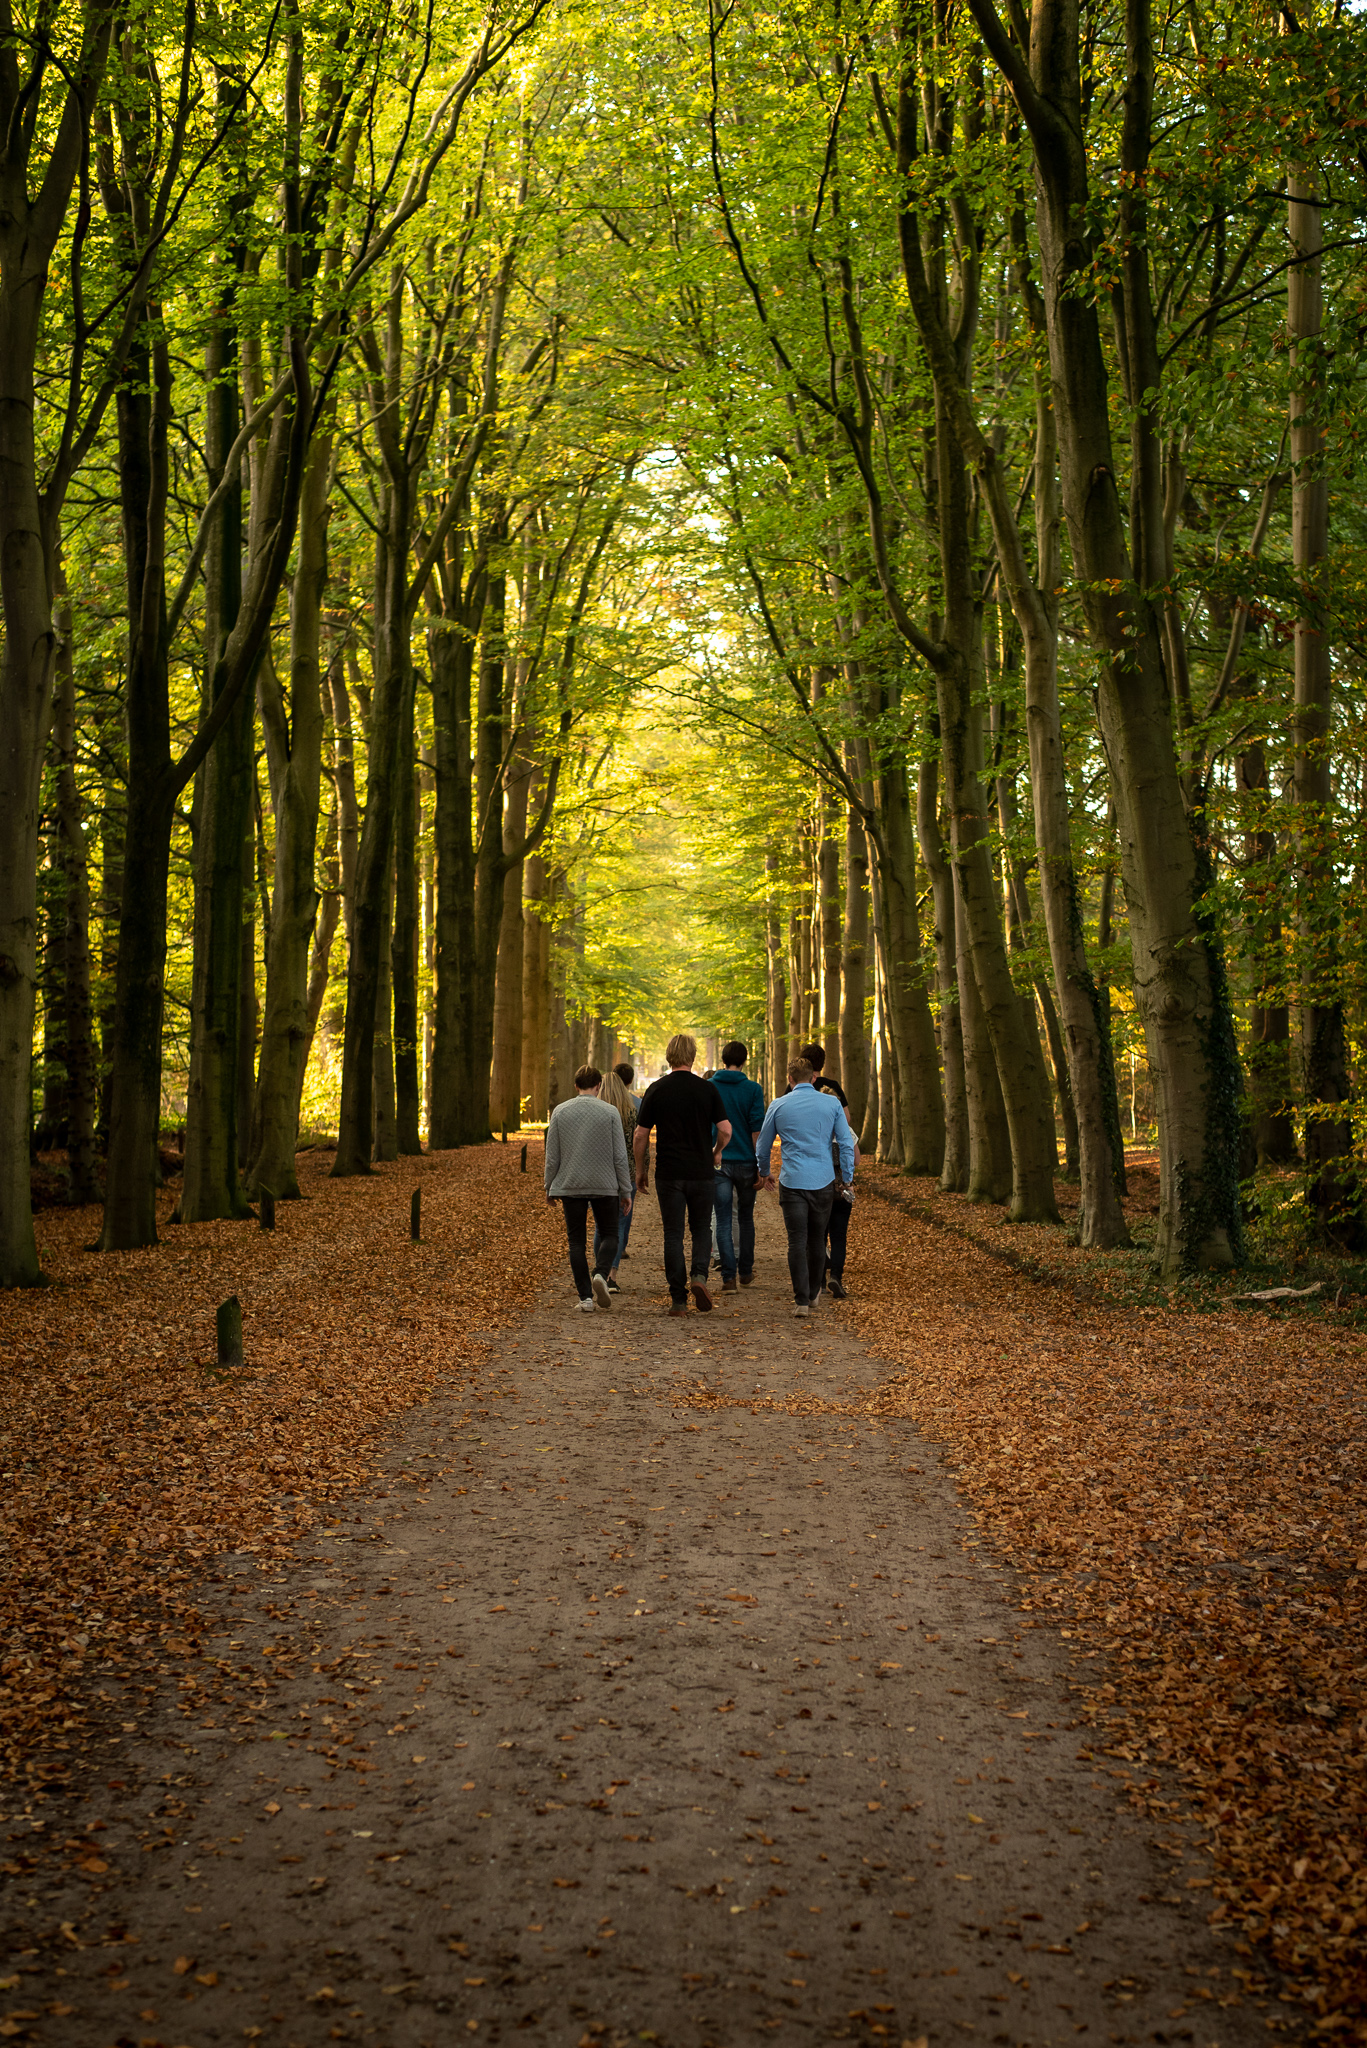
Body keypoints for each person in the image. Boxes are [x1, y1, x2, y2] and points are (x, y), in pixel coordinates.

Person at [633, 1032, 731, 1316]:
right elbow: (725, 1129)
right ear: (693, 1056)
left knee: (673, 1234)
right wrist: (715, 1151)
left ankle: (678, 1299)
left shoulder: (656, 1089)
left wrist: (641, 1170)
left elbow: (640, 1135)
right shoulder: (707, 1089)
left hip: (669, 1172)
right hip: (701, 1172)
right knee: (702, 1228)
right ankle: (699, 1276)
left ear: (668, 1055)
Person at [756, 1056, 855, 1318]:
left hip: (792, 1182)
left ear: (789, 1079)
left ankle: (800, 1299)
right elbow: (845, 1142)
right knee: (816, 1240)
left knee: (796, 1241)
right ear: (813, 1077)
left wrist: (764, 1172)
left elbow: (763, 1144)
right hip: (823, 1181)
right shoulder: (831, 1103)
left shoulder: (778, 1105)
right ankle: (813, 1294)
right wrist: (847, 1176)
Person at [544, 1064, 634, 1312]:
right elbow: (619, 1156)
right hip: (605, 1184)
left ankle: (585, 1298)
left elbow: (552, 1156)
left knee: (576, 1242)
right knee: (610, 1234)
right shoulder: (610, 1112)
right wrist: (625, 1190)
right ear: (598, 1086)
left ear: (576, 1086)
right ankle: (601, 1274)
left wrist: (548, 1186)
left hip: (570, 1184)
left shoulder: (560, 1112)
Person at [799, 1040, 859, 1300]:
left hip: (815, 1175)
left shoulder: (798, 1087)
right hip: (841, 1180)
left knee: (817, 1230)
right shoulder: (833, 1088)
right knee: (840, 1233)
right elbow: (847, 1125)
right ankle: (836, 1276)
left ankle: (819, 1280)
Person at [709, 1040, 766, 1292]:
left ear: (723, 1060)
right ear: (744, 1061)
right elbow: (757, 1131)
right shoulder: (753, 1089)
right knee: (745, 1218)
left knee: (722, 1220)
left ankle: (728, 1278)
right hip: (745, 1161)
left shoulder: (709, 1087)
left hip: (718, 1160)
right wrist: (762, 1166)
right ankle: (745, 1271)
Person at [594, 1069, 637, 1290]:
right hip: (626, 1174)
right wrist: (642, 1170)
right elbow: (637, 1145)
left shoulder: (595, 1114)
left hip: (599, 1173)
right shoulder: (631, 1113)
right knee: (619, 1224)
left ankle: (599, 1270)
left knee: (600, 1226)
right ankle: (611, 1275)